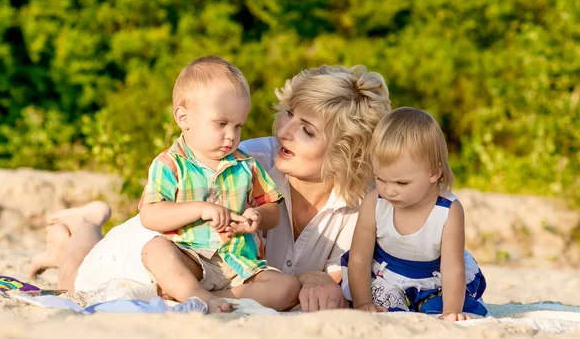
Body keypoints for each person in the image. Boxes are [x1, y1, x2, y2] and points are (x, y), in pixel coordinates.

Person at [29, 62, 392, 312]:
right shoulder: (244, 160)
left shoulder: (362, 204)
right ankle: (85, 225)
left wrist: (315, 279)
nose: (283, 130)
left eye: (307, 130)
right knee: (76, 281)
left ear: (347, 152)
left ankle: (203, 300)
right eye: (288, 113)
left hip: (229, 279)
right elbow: (169, 224)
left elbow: (341, 274)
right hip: (167, 248)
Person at [139, 56, 299, 313]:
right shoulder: (170, 164)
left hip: (239, 264)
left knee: (288, 288)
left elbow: (273, 211)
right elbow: (150, 215)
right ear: (183, 117)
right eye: (221, 123)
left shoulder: (247, 165)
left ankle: (210, 298)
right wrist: (200, 208)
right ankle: (193, 292)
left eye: (238, 126)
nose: (231, 135)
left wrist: (256, 216)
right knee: (154, 250)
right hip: (191, 259)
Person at [341, 107, 487, 321]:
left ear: (433, 173)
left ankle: (435, 305)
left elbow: (452, 267)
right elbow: (360, 257)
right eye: (380, 179)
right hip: (386, 276)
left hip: (435, 279)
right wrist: (363, 303)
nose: (388, 190)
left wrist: (451, 311)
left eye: (401, 182)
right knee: (384, 308)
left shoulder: (447, 211)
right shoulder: (375, 202)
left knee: (441, 308)